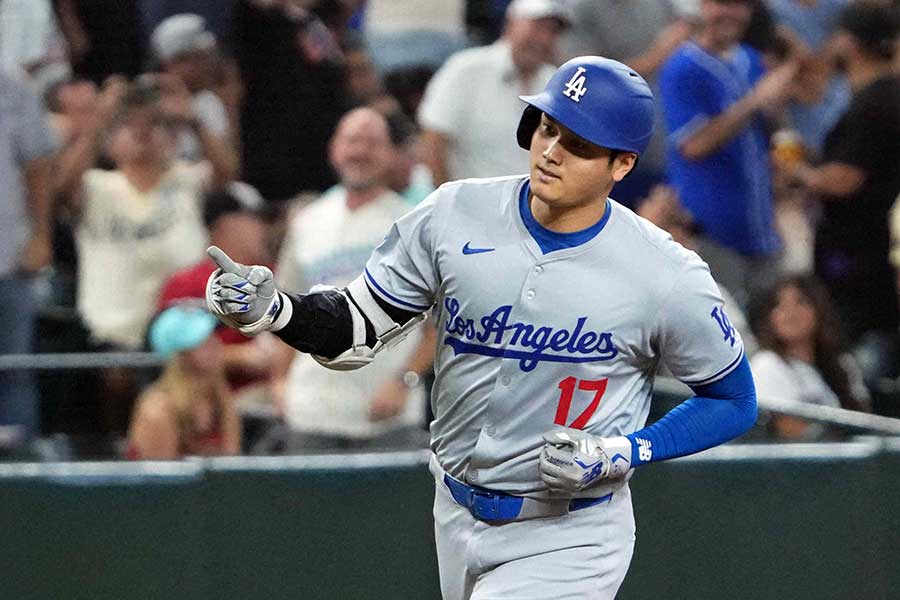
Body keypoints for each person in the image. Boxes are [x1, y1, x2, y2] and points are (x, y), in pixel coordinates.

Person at [205, 56, 758, 598]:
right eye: (548, 128)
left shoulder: (665, 272)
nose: (551, 152)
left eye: (580, 145)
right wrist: (274, 310)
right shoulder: (454, 213)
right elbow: (355, 325)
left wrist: (626, 450)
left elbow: (733, 399)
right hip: (453, 507)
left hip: (571, 532)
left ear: (622, 166)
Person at [273, 107, 433, 452]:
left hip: (388, 416)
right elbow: (284, 310)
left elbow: (441, 323)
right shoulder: (307, 222)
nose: (360, 151)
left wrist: (405, 382)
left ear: (391, 154)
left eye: (373, 143)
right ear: (334, 149)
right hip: (311, 412)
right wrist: (279, 380)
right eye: (352, 141)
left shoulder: (413, 224)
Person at [659, 0, 799, 306]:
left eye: (740, 5)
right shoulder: (682, 67)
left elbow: (765, 131)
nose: (731, 13)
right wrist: (755, 101)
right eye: (722, 3)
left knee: (766, 330)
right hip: (711, 235)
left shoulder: (750, 59)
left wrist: (775, 111)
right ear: (702, 6)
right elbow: (693, 145)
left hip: (761, 229)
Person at [779, 1, 900, 343]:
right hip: (872, 250)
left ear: (849, 42)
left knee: (850, 341)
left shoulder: (875, 102)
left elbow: (846, 180)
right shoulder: (881, 94)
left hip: (858, 255)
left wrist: (797, 170)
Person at [417, 0, 571, 185]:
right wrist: (447, 202)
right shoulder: (466, 69)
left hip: (532, 206)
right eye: (537, 27)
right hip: (471, 203)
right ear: (510, 24)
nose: (544, 38)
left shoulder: (555, 82)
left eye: (552, 31)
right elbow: (433, 139)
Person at [157, 182, 279, 410]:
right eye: (256, 219)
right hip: (206, 403)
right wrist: (238, 356)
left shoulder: (276, 276)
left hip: (276, 398)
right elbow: (171, 353)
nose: (265, 228)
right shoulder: (186, 283)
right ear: (227, 224)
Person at [0, 70, 58, 446]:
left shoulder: (12, 90)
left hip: (9, 256)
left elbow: (38, 166)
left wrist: (40, 235)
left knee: (15, 369)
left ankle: (20, 467)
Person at [750, 274, 870, 440]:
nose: (790, 312)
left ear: (818, 310)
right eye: (779, 305)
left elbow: (865, 424)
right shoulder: (767, 365)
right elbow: (793, 434)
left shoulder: (843, 364)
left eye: (801, 302)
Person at [127, 305, 241, 459]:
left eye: (212, 335)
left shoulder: (220, 397)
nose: (214, 343)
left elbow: (231, 466)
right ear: (180, 354)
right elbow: (162, 479)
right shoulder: (158, 410)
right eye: (201, 340)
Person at [149, 13, 240, 167]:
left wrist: (193, 121)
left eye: (208, 57)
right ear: (171, 64)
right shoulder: (145, 99)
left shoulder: (209, 102)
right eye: (199, 58)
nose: (209, 65)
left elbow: (229, 166)